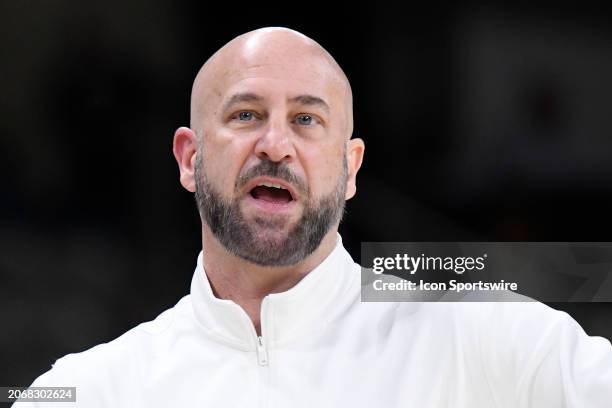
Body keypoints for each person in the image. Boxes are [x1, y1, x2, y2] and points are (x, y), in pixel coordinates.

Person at [17, 27, 612, 407]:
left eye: (307, 120)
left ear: (351, 168)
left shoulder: (477, 336)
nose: (276, 144)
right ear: (190, 158)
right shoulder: (91, 390)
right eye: (247, 114)